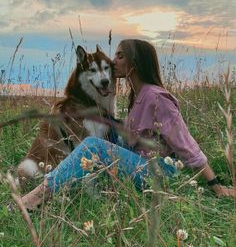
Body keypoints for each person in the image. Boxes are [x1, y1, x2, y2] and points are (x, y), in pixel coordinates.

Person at [21, 39, 236, 209]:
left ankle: (38, 197)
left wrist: (216, 187)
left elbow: (188, 146)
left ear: (135, 62)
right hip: (139, 160)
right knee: (103, 130)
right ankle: (66, 178)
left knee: (92, 145)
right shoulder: (139, 95)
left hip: (157, 172)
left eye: (120, 56)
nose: (113, 61)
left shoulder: (157, 99)